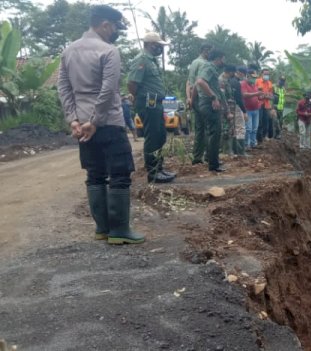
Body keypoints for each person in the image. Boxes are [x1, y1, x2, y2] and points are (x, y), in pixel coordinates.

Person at [57, 5, 144, 245]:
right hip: (108, 123)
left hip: (81, 125)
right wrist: (94, 121)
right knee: (119, 174)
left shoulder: (68, 51)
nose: (115, 31)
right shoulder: (109, 51)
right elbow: (107, 91)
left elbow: (63, 88)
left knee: (95, 174)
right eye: (115, 27)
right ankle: (119, 230)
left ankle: (102, 228)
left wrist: (73, 119)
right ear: (105, 25)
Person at [127, 32, 176, 184]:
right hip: (149, 103)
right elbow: (132, 83)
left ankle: (159, 168)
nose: (161, 48)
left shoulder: (151, 61)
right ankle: (153, 173)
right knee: (153, 137)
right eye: (159, 45)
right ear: (149, 44)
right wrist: (140, 98)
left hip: (157, 103)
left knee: (160, 136)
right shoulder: (142, 60)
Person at [194, 49, 227, 172]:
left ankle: (212, 161)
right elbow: (200, 81)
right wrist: (213, 97)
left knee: (213, 133)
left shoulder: (212, 69)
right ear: (218, 58)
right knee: (214, 133)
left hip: (208, 104)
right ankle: (213, 165)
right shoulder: (208, 66)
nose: (224, 61)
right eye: (223, 58)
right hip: (209, 104)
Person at [187, 43, 213, 165]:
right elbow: (199, 83)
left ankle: (197, 157)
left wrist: (190, 99)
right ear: (205, 50)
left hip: (194, 98)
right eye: (209, 50)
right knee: (208, 128)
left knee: (199, 129)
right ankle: (209, 156)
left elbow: (189, 82)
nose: (210, 53)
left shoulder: (193, 62)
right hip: (202, 98)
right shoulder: (203, 64)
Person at [241, 70, 262, 149]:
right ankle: (247, 144)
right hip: (248, 109)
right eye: (253, 77)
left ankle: (253, 143)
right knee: (248, 128)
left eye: (255, 78)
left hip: (256, 109)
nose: (254, 79)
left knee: (254, 128)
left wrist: (261, 96)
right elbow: (244, 95)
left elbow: (258, 97)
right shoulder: (243, 84)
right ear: (248, 76)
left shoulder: (254, 85)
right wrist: (256, 94)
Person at [255, 68, 274, 143]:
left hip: (266, 105)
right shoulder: (257, 81)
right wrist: (262, 96)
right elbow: (255, 92)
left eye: (268, 74)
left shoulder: (270, 83)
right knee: (259, 121)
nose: (266, 75)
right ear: (261, 74)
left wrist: (268, 96)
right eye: (265, 74)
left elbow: (271, 95)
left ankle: (264, 136)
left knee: (266, 121)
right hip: (258, 104)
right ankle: (258, 138)